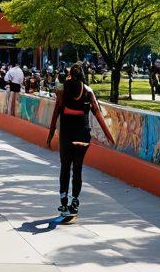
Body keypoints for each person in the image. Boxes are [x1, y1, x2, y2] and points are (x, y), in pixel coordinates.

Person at [46, 65, 115, 218]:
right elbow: (98, 115)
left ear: (69, 75)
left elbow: (55, 116)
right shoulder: (88, 91)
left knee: (65, 167)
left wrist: (50, 136)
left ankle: (64, 202)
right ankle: (75, 201)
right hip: (83, 136)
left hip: (67, 135)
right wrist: (109, 136)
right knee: (77, 169)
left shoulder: (62, 91)